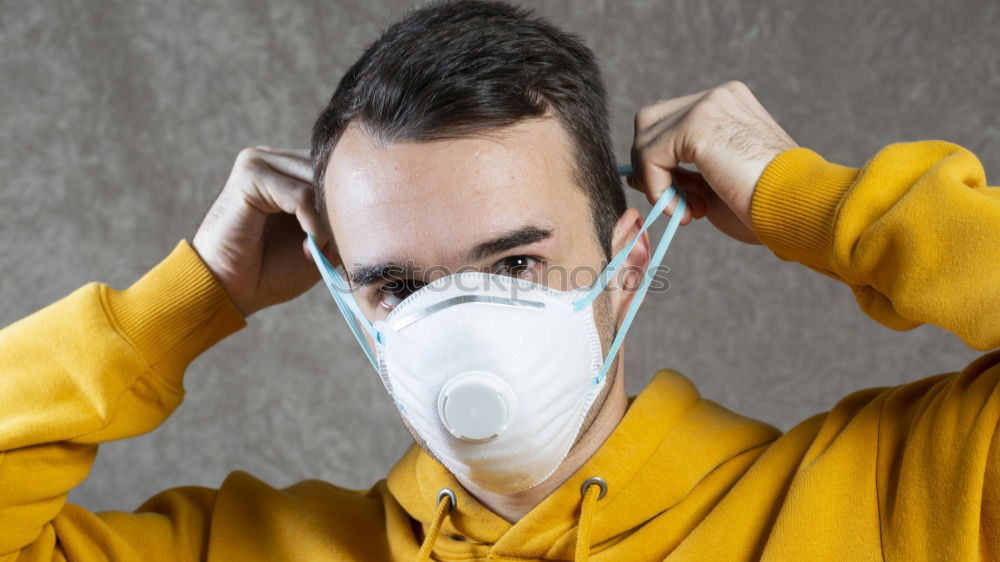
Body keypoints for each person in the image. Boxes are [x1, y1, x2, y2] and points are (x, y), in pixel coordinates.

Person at [1, 0, 997, 560]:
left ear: (628, 256)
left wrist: (811, 200)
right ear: (351, 302)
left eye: (516, 262)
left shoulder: (895, 494)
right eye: (398, 285)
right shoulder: (252, 551)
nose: (462, 320)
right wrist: (183, 299)